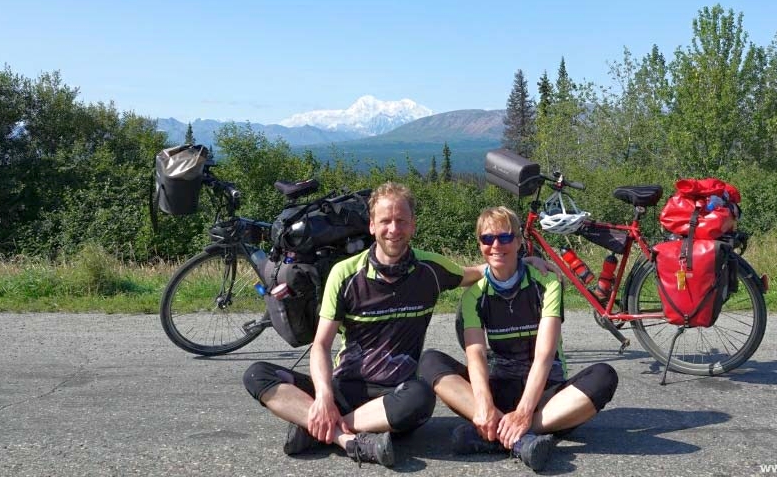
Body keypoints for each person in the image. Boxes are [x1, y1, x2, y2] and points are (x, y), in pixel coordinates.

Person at [244, 182, 521, 467]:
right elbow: (322, 344)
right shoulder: (345, 274)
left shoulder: (431, 269)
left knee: (422, 396)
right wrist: (324, 396)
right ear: (372, 226)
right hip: (344, 389)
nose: (393, 229)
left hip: (396, 398)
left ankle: (320, 430)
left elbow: (477, 272)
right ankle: (348, 440)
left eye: (401, 221)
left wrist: (529, 262)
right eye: (385, 221)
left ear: (413, 226)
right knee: (257, 374)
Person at [419, 206, 619, 472]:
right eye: (487, 239)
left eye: (505, 237)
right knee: (430, 361)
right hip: (500, 386)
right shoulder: (474, 295)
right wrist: (485, 404)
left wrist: (524, 414)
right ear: (480, 245)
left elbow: (544, 355)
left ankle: (503, 433)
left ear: (519, 241)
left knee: (604, 376)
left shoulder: (546, 283)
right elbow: (476, 353)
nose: (496, 245)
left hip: (545, 392)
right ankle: (513, 433)